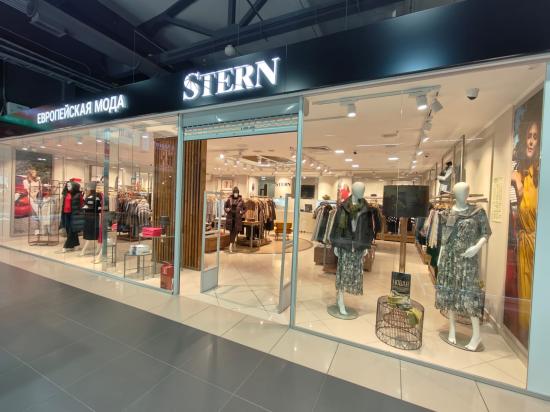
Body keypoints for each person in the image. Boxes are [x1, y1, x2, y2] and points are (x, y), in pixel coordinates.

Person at [511, 117, 540, 343]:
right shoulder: (518, 175)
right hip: (524, 245)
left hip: (537, 246)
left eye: (535, 137)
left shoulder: (538, 177)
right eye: (528, 136)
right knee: (524, 297)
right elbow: (516, 211)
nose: (530, 142)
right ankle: (524, 339)